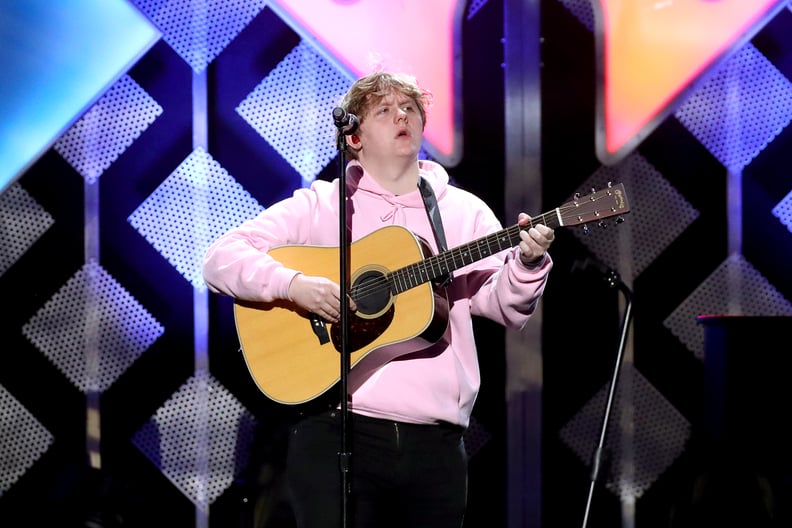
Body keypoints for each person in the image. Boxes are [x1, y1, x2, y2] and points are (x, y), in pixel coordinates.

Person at [202, 70, 555, 528]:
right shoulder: (324, 205)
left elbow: (503, 306)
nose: (401, 116)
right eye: (384, 110)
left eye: (409, 108)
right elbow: (220, 258)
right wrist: (293, 285)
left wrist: (526, 263)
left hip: (436, 445)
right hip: (337, 430)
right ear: (354, 137)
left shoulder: (464, 212)